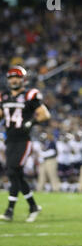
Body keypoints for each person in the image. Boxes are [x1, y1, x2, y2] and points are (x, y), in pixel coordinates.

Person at [0, 66, 50, 222]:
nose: (14, 80)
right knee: (16, 174)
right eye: (11, 77)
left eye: (17, 77)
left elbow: (45, 115)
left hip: (23, 140)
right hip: (10, 140)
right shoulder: (4, 96)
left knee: (12, 170)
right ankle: (33, 206)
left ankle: (9, 210)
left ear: (23, 79)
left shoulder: (30, 95)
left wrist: (31, 122)